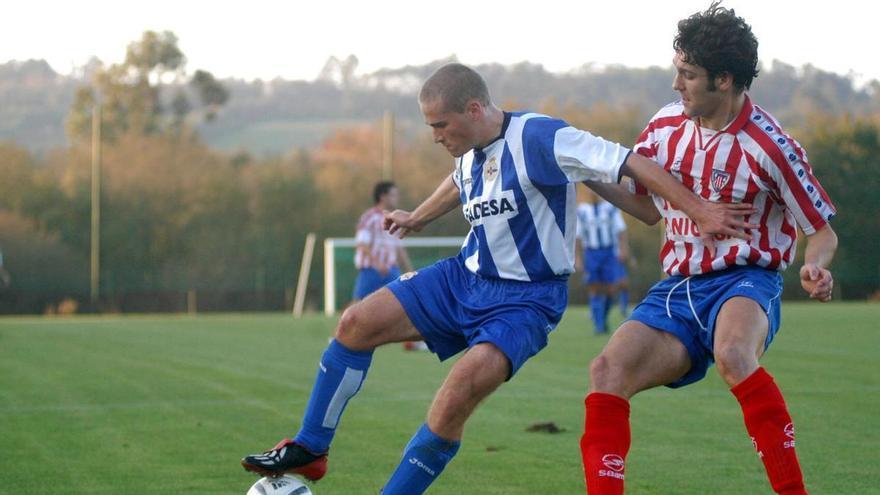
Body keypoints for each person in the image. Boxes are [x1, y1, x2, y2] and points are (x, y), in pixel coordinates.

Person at [241, 62, 753, 494]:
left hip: (525, 302)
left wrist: (700, 211)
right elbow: (457, 181)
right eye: (429, 127)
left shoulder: (541, 135)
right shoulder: (468, 153)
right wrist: (419, 216)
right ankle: (311, 449)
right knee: (354, 323)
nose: (436, 136)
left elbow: (632, 163)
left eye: (440, 125)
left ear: (474, 110)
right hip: (464, 279)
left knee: (458, 392)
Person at [579, 4, 838, 494]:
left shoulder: (771, 146)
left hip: (745, 280)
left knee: (734, 352)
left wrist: (814, 267)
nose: (677, 85)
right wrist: (584, 172)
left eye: (688, 75)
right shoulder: (663, 127)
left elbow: (821, 231)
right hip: (677, 289)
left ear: (723, 79)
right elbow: (648, 209)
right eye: (677, 71)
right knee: (606, 370)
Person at [575, 190, 632, 334]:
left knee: (611, 289)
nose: (593, 194)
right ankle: (598, 326)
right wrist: (578, 258)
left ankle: (603, 318)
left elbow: (621, 230)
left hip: (608, 252)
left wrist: (624, 249)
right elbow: (578, 237)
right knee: (594, 287)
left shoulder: (611, 208)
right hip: (591, 253)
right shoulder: (581, 211)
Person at [352, 181, 413, 302]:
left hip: (391, 268)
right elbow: (362, 244)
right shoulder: (369, 217)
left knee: (400, 301)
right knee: (360, 302)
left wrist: (410, 270)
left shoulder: (395, 218)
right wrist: (377, 263)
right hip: (371, 269)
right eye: (393, 195)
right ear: (383, 196)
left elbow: (399, 248)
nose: (397, 198)